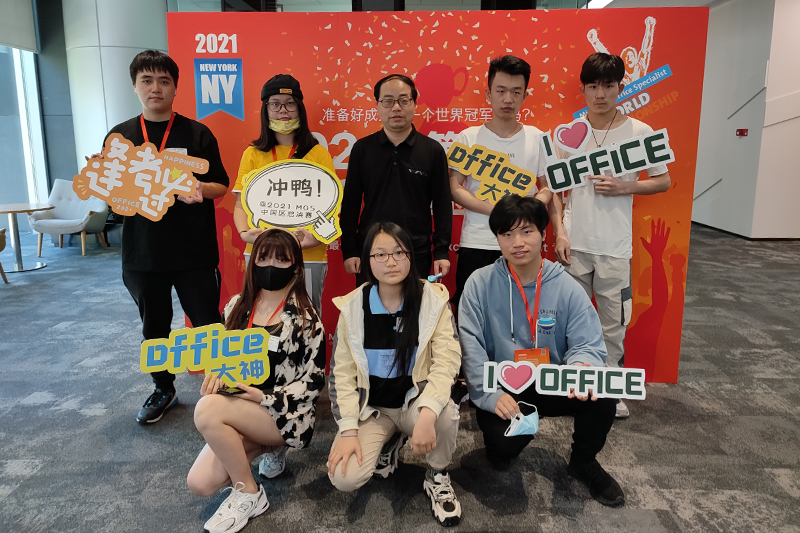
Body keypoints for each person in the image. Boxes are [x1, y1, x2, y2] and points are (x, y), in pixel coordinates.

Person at [458, 194, 624, 507]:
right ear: (497, 239)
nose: (517, 242)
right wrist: (489, 395)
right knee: (502, 450)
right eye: (507, 234)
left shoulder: (567, 286)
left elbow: (587, 342)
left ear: (543, 234)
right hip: (506, 384)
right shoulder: (480, 284)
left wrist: (582, 365)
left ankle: (584, 461)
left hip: (555, 380)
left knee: (601, 397)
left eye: (526, 231)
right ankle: (507, 440)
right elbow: (471, 347)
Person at [102, 50, 229, 424]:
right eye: (147, 80)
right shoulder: (121, 137)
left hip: (194, 252)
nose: (155, 88)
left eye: (163, 81)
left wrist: (199, 188)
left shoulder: (197, 133)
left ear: (175, 87)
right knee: (153, 327)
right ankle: (163, 388)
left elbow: (221, 184)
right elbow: (110, 192)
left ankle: (223, 384)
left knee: (207, 323)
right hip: (143, 254)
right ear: (135, 86)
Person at [554, 53, 670, 419]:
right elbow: (555, 191)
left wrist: (625, 187)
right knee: (569, 320)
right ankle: (572, 386)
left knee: (613, 323)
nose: (600, 94)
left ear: (621, 87)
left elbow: (663, 180)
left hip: (615, 247)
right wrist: (559, 233)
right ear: (583, 90)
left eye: (608, 85)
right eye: (593, 86)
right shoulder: (568, 134)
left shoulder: (639, 132)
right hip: (574, 245)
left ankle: (609, 389)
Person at [187, 229, 326, 533]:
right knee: (199, 483)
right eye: (263, 258)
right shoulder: (236, 306)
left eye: (281, 259)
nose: (271, 266)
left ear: (296, 268)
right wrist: (215, 378)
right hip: (240, 408)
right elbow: (223, 359)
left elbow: (314, 383)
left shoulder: (306, 319)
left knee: (207, 410)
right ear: (253, 263)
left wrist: (263, 398)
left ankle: (248, 493)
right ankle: (268, 448)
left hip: (285, 414)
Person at [327, 222, 463, 527]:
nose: (391, 262)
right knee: (344, 478)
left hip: (415, 402)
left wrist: (427, 414)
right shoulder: (354, 308)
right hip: (373, 410)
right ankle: (389, 441)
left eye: (399, 253)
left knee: (445, 414)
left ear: (410, 256)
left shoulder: (432, 300)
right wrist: (348, 430)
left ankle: (437, 474)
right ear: (367, 260)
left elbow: (447, 362)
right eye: (380, 254)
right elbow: (341, 376)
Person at [449, 55, 561, 311]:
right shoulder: (468, 137)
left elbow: (549, 186)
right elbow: (454, 188)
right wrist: (498, 211)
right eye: (500, 91)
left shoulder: (539, 137)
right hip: (478, 241)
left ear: (525, 96)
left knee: (524, 310)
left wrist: (527, 211)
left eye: (515, 92)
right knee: (472, 310)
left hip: (524, 243)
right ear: (488, 94)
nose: (508, 99)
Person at [233, 74, 335, 314]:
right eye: (275, 104)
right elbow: (240, 203)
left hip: (307, 253)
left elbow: (331, 207)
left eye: (290, 104)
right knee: (260, 315)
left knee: (307, 318)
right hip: (262, 253)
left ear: (300, 109)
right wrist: (245, 234)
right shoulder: (252, 154)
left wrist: (317, 238)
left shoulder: (318, 154)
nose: (283, 111)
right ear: (265, 109)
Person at [340, 74, 452, 285]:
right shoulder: (362, 149)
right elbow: (350, 204)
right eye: (388, 101)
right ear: (377, 105)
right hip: (372, 252)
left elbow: (442, 206)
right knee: (370, 305)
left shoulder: (432, 150)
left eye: (403, 100)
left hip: (416, 251)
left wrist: (441, 251)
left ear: (414, 104)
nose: (396, 108)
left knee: (414, 306)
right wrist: (350, 250)